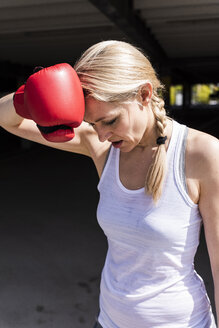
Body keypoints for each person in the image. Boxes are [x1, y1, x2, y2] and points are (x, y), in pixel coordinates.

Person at [0, 40, 219, 328]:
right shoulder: (103, 148)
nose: (102, 135)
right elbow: (7, 120)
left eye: (110, 121)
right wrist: (31, 95)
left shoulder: (201, 153)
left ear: (144, 94)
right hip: (109, 321)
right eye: (93, 124)